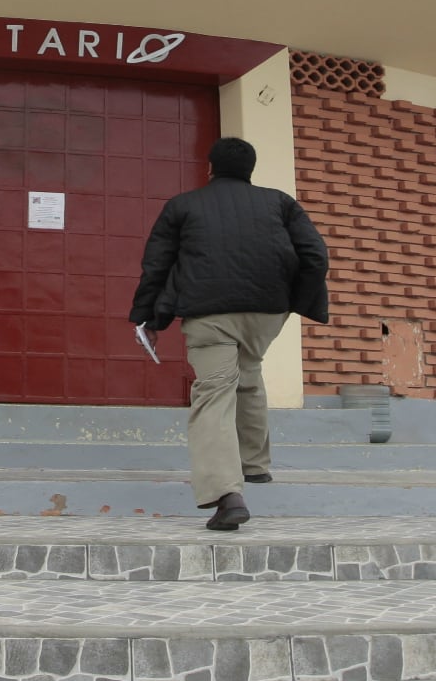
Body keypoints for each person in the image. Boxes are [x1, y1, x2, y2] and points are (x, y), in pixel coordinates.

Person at [128, 136, 330, 530]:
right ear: (250, 171)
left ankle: (227, 494)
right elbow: (316, 255)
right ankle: (254, 464)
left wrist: (148, 319)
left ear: (210, 169)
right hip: (267, 312)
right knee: (249, 372)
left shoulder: (183, 206)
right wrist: (295, 301)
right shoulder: (281, 203)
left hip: (209, 314)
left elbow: (156, 265)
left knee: (214, 393)